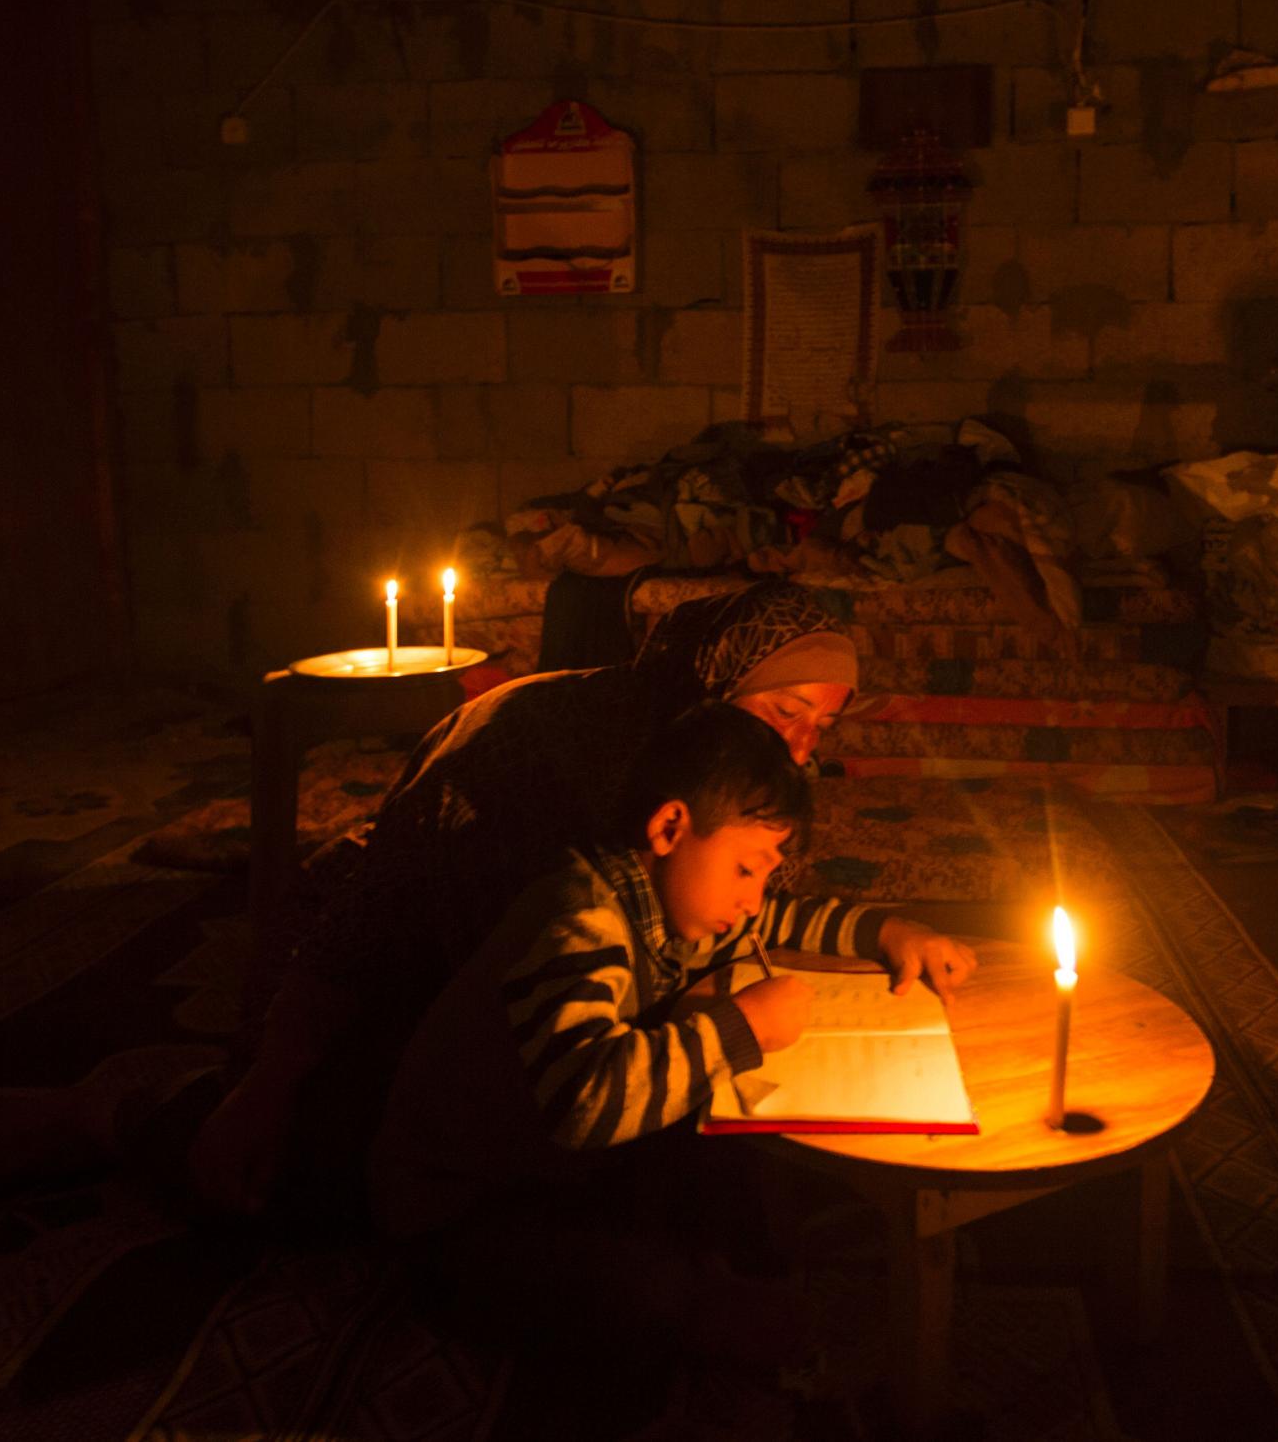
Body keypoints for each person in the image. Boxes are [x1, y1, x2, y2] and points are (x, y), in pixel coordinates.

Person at [191, 579, 892, 1219]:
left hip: (551, 1032)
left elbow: (744, 912)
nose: (800, 747)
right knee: (300, 1186)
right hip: (410, 1004)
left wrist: (878, 934)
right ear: (713, 679)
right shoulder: (544, 754)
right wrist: (272, 1079)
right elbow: (369, 919)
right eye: (785, 710)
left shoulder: (725, 773)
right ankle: (126, 1108)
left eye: (820, 727)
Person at [369, 704, 977, 1427]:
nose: (754, 896)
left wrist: (889, 928)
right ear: (667, 829)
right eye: (746, 867)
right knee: (645, 1294)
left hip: (553, 1175)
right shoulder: (579, 917)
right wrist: (742, 1024)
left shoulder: (672, 898)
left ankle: (733, 1285)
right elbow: (585, 1100)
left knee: (717, 1161)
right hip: (458, 1212)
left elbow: (784, 918)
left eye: (766, 872)